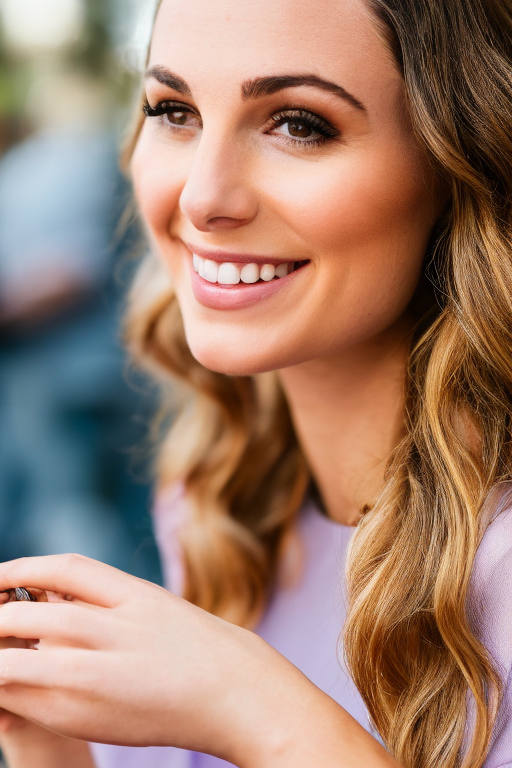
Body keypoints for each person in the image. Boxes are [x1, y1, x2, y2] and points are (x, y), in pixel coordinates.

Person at [0, 0, 510, 766]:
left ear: (458, 161)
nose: (204, 198)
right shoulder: (216, 502)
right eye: (173, 110)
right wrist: (49, 744)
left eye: (299, 124)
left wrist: (248, 703)